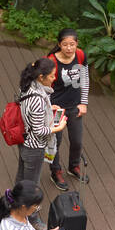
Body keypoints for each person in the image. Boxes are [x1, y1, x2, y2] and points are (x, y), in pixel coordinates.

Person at [15, 58, 67, 203]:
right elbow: (39, 130)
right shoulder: (38, 99)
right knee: (32, 185)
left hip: (24, 141)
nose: (54, 78)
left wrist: (49, 109)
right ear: (41, 77)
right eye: (52, 75)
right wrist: (58, 127)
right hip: (34, 147)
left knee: (21, 177)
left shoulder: (27, 87)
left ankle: (14, 203)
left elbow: (31, 113)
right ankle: (31, 216)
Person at [47, 28, 90, 190]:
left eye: (72, 44)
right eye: (65, 45)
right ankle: (55, 171)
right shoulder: (51, 61)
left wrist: (83, 103)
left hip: (75, 106)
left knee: (77, 141)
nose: (69, 48)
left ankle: (74, 167)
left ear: (77, 44)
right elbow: (43, 86)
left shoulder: (80, 55)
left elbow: (85, 79)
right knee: (55, 142)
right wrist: (48, 106)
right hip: (55, 108)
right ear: (59, 45)